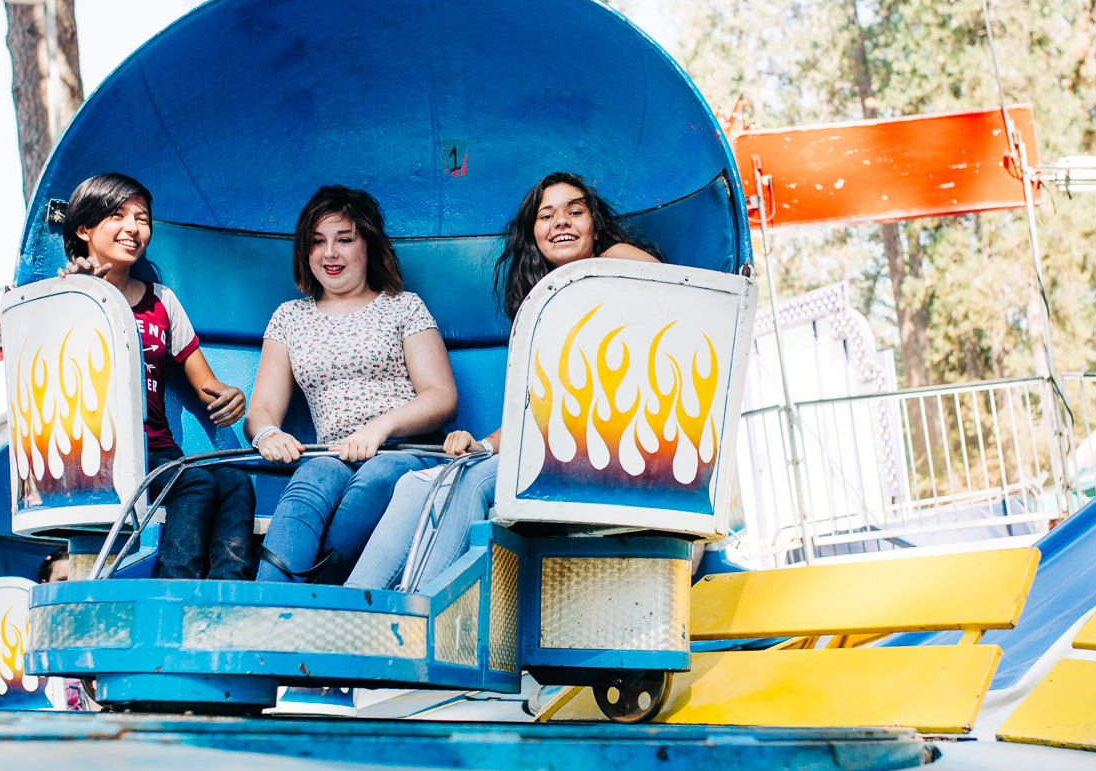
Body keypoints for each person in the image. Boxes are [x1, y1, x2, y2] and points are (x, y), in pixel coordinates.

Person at [347, 172, 656, 594]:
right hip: (554, 448)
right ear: (534, 234)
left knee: (470, 483)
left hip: (618, 448)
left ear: (595, 226)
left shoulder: (616, 259)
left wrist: (582, 273)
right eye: (547, 215)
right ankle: (356, 607)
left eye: (575, 212)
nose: (561, 221)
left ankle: (421, 611)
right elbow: (533, 414)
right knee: (421, 481)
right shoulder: (540, 311)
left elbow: (674, 289)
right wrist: (483, 446)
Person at [247, 185, 457, 584]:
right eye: (318, 242)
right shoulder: (289, 317)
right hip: (331, 453)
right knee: (307, 486)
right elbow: (261, 410)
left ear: (368, 246)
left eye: (344, 240)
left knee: (376, 480)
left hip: (406, 451)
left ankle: (321, 603)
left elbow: (442, 396)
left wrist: (380, 428)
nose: (330, 253)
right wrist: (268, 434)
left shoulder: (403, 305)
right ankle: (268, 610)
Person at [57, 172, 254, 579]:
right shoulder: (66, 296)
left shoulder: (162, 301)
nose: (133, 228)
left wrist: (229, 395)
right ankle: (175, 586)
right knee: (196, 484)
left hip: (156, 450)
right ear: (83, 228)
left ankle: (227, 593)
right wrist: (77, 298)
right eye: (117, 215)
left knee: (235, 481)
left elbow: (207, 384)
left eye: (142, 218)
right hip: (101, 453)